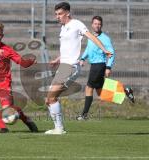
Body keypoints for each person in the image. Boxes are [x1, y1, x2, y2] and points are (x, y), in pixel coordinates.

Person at [45, 2, 112, 134]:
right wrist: (57, 60)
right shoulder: (63, 28)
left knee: (51, 97)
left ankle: (59, 129)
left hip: (70, 67)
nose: (57, 17)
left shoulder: (76, 24)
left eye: (60, 14)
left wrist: (104, 50)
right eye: (56, 14)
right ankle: (58, 128)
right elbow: (67, 49)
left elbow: (92, 37)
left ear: (67, 13)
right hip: (63, 66)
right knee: (49, 99)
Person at [76, 16, 116, 121]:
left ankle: (84, 115)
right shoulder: (91, 36)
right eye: (95, 23)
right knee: (101, 93)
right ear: (92, 24)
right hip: (94, 65)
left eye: (99, 24)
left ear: (101, 25)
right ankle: (125, 91)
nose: (97, 25)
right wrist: (83, 58)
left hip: (99, 66)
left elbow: (111, 53)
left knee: (88, 88)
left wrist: (108, 67)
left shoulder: (105, 38)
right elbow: (88, 49)